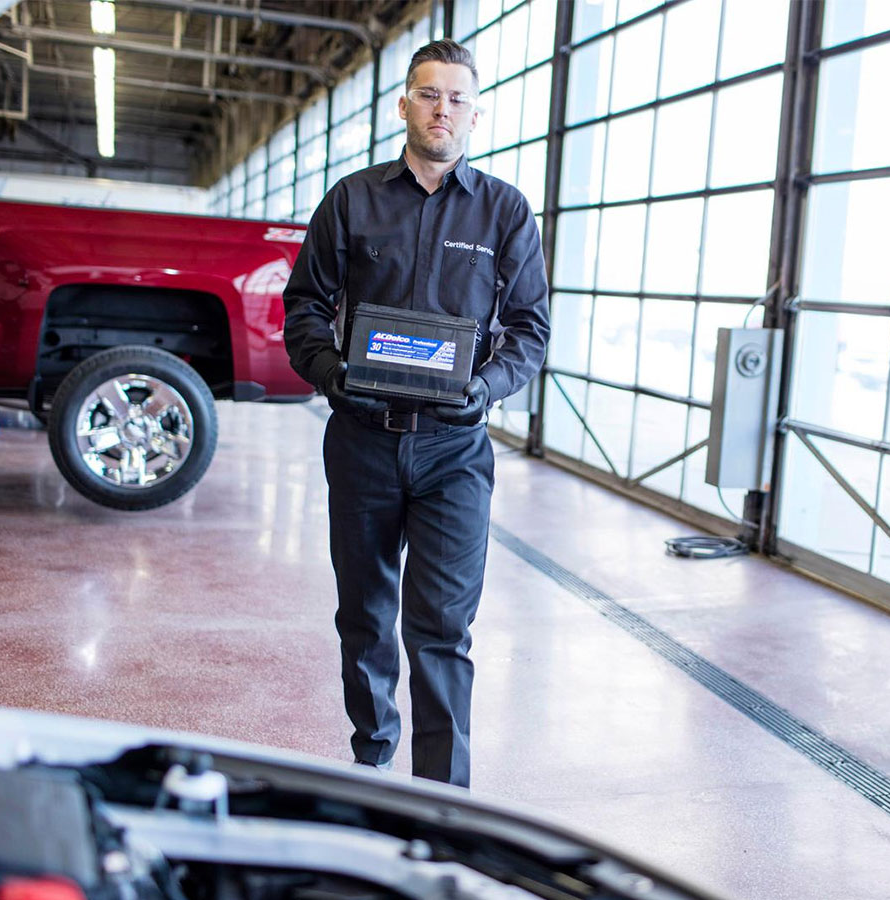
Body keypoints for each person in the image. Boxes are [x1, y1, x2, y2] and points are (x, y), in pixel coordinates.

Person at [282, 38, 550, 789]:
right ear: (404, 105)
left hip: (454, 450)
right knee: (365, 615)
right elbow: (304, 305)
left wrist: (488, 388)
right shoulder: (352, 200)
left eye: (457, 98)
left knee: (441, 629)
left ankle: (442, 799)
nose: (442, 110)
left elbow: (530, 329)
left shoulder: (504, 211)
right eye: (428, 95)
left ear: (476, 113)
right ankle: (372, 758)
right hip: (363, 441)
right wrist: (331, 373)